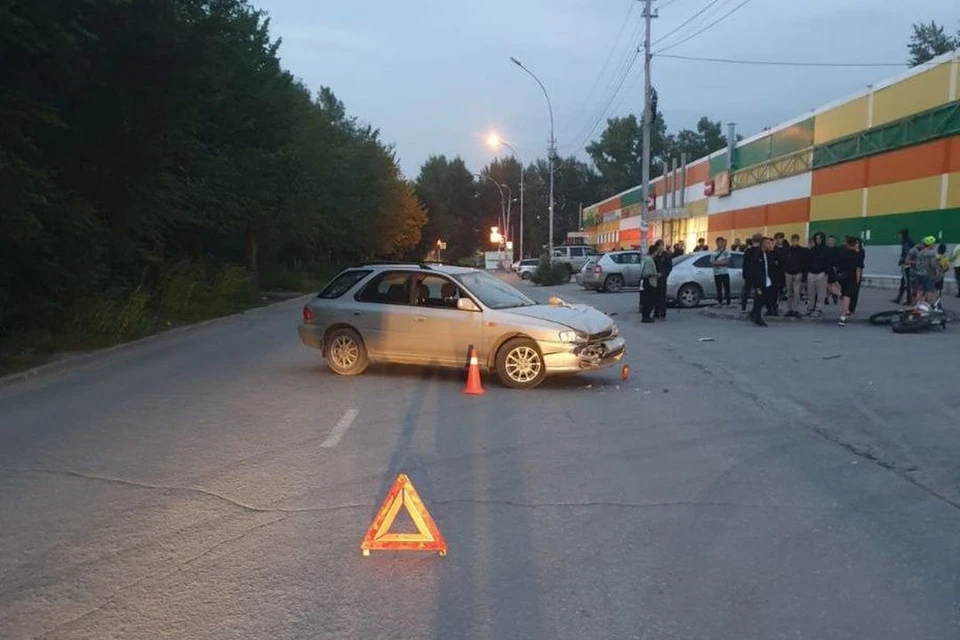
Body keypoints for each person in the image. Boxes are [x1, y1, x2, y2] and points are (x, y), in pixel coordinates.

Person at [747, 237, 775, 327]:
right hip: (759, 282)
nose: (769, 245)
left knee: (763, 299)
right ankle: (758, 318)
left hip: (766, 280)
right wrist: (756, 284)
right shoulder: (757, 255)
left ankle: (753, 314)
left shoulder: (767, 254)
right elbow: (754, 270)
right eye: (767, 243)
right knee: (759, 299)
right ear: (762, 244)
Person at [836, 236, 862, 326]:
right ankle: (843, 317)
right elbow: (858, 269)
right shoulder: (857, 255)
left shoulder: (842, 253)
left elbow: (837, 265)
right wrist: (857, 280)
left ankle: (845, 309)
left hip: (842, 277)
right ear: (854, 244)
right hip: (852, 277)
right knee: (847, 296)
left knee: (844, 295)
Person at [782, 233, 809, 317]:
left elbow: (804, 263)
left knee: (797, 292)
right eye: (793, 241)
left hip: (798, 273)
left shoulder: (802, 250)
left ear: (798, 241)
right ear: (791, 241)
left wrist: (803, 274)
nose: (794, 242)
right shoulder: (787, 250)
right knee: (789, 292)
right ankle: (789, 309)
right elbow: (784, 261)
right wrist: (785, 270)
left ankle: (796, 310)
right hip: (788, 273)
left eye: (796, 241)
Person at [806, 232, 828, 316]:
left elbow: (828, 262)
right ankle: (810, 308)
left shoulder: (826, 250)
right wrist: (808, 272)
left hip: (821, 274)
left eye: (820, 238)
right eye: (817, 238)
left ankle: (819, 309)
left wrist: (825, 272)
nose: (818, 240)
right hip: (811, 273)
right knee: (810, 292)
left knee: (821, 293)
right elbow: (808, 261)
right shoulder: (812, 249)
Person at [912, 236, 939, 305]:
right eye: (934, 243)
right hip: (928, 274)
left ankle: (917, 306)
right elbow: (932, 265)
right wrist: (936, 272)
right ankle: (930, 306)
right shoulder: (931, 253)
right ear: (931, 244)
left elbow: (917, 264)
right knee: (930, 291)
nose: (934, 244)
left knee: (920, 291)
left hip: (918, 274)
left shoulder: (920, 253)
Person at [740, 234, 762, 313]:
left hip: (749, 274)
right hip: (757, 275)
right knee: (758, 291)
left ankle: (743, 307)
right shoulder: (761, 251)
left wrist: (744, 274)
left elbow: (744, 264)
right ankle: (756, 308)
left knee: (747, 291)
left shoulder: (748, 251)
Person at [892, 228, 914, 304]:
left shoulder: (906, 243)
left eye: (900, 234)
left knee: (907, 282)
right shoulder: (909, 241)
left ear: (902, 234)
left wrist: (903, 260)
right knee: (903, 282)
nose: (899, 236)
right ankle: (899, 298)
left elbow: (907, 253)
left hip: (906, 265)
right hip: (908, 265)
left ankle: (908, 300)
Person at [638, 245, 659, 323]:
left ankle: (646, 316)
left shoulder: (647, 259)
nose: (657, 253)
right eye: (656, 251)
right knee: (649, 301)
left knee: (647, 300)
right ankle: (646, 317)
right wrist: (657, 275)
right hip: (650, 282)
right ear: (654, 251)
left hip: (647, 282)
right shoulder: (649, 260)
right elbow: (648, 273)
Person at [654, 240, 673, 320]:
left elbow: (669, 267)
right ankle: (656, 313)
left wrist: (664, 274)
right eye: (658, 246)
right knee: (655, 296)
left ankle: (663, 314)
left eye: (661, 245)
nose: (660, 247)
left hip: (662, 278)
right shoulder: (655, 255)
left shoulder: (666, 256)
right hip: (655, 278)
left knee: (662, 296)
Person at [711, 237, 732, 306]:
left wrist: (718, 262)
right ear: (716, 243)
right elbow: (712, 263)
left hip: (725, 273)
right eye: (719, 242)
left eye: (721, 242)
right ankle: (719, 302)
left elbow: (727, 262)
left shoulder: (726, 252)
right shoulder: (713, 252)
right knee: (719, 288)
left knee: (727, 288)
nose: (720, 244)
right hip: (717, 273)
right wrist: (721, 262)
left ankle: (728, 302)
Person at [848, 238, 866, 315]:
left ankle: (851, 308)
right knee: (848, 292)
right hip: (850, 273)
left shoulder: (861, 251)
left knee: (855, 292)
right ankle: (847, 307)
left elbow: (861, 263)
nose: (856, 245)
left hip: (858, 273)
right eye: (855, 243)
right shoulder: (850, 251)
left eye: (858, 243)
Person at [824, 235, 840, 305]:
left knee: (829, 283)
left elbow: (839, 259)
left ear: (835, 241)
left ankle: (828, 297)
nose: (831, 242)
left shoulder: (837, 249)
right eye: (829, 240)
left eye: (832, 240)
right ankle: (831, 295)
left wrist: (837, 267)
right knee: (827, 283)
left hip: (834, 268)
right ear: (827, 241)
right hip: (826, 268)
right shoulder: (825, 249)